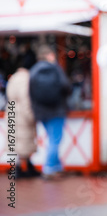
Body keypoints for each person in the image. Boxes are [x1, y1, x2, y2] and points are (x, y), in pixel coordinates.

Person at [29, 45, 71, 179]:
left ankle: (58, 167)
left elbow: (30, 93)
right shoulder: (56, 69)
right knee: (55, 139)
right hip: (57, 110)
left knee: (52, 139)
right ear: (50, 55)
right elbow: (66, 87)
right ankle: (49, 168)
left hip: (41, 112)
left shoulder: (34, 71)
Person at [6, 56, 40, 178]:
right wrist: (31, 115)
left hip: (12, 112)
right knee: (24, 141)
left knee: (17, 141)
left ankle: (23, 167)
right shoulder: (26, 79)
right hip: (21, 114)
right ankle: (21, 169)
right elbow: (26, 99)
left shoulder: (14, 77)